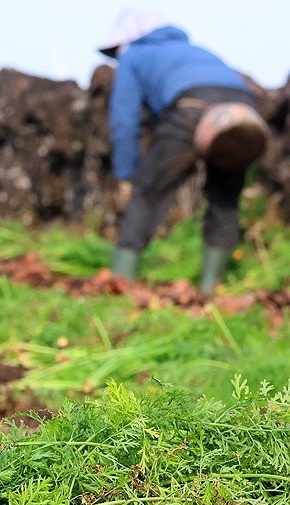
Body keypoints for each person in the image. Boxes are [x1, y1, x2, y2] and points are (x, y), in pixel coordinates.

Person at [100, 9, 267, 295]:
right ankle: (210, 290)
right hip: (241, 110)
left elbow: (125, 118)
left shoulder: (134, 55)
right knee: (225, 199)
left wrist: (126, 173)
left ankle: (120, 282)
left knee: (148, 193)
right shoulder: (195, 51)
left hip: (190, 107)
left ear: (126, 40)